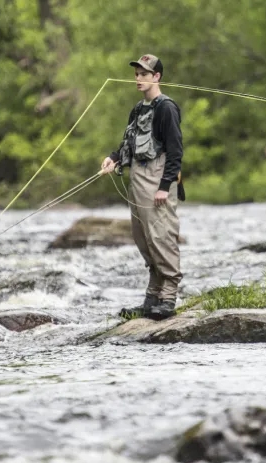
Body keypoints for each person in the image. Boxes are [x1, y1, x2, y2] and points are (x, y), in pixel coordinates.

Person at [101, 54, 185, 321]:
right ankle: (151, 299)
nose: (138, 78)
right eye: (136, 74)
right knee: (143, 239)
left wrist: (164, 186)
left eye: (144, 74)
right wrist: (113, 158)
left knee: (161, 236)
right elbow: (129, 141)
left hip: (157, 180)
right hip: (137, 179)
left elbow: (175, 152)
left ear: (156, 77)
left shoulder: (166, 108)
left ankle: (168, 296)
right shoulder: (138, 109)